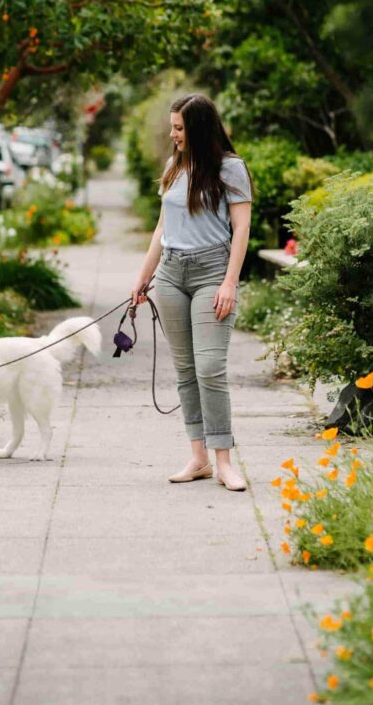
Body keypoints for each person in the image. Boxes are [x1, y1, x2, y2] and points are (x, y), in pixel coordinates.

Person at [131, 93, 253, 492]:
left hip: (211, 273)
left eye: (179, 128)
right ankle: (198, 458)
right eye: (172, 127)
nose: (173, 134)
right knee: (185, 371)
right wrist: (142, 278)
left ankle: (224, 462)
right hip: (170, 276)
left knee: (209, 368)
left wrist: (230, 282)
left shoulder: (231, 170)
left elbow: (241, 230)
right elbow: (161, 229)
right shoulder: (174, 166)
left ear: (198, 128)